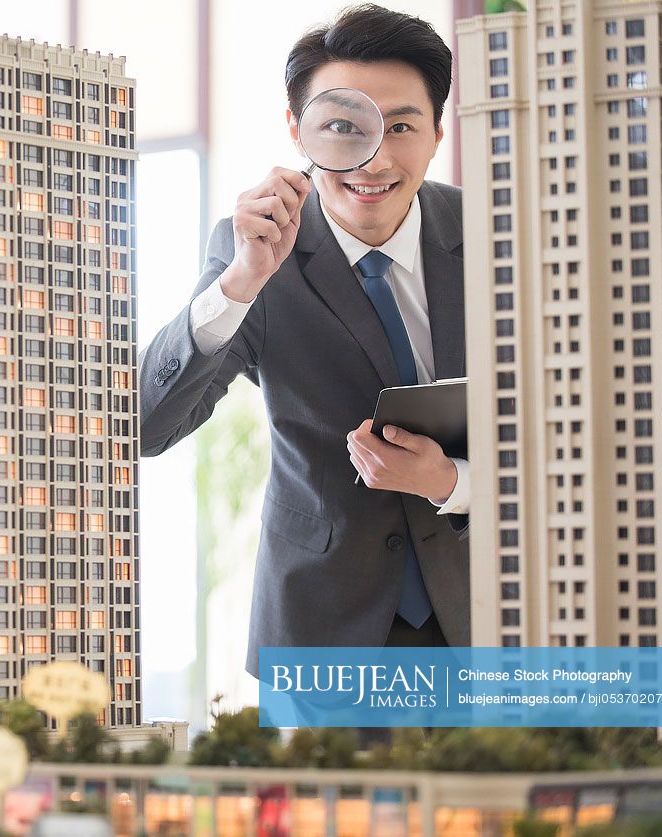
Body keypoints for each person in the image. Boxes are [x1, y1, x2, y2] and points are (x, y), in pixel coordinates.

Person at [139, 4, 469, 676]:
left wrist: (450, 480)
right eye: (342, 127)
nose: (370, 157)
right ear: (296, 130)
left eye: (399, 126)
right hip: (322, 630)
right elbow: (145, 425)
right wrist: (239, 281)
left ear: (437, 131)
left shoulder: (499, 232)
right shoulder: (253, 251)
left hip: (491, 620)